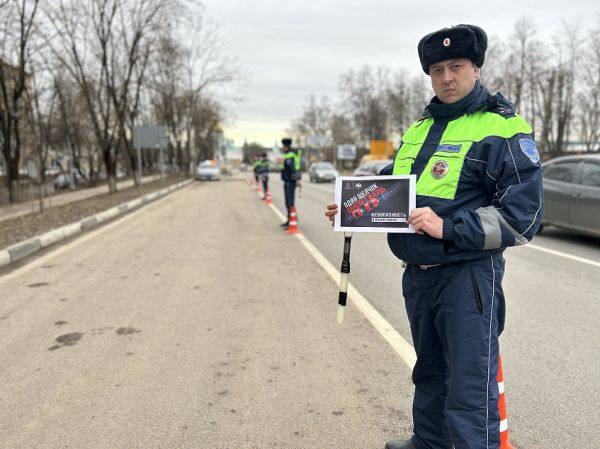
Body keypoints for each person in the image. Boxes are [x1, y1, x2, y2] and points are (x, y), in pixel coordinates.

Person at [325, 24, 543, 449]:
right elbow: (396, 186)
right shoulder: (421, 128)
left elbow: (523, 216)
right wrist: (355, 208)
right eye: (438, 69)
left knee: (468, 384)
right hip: (419, 276)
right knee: (429, 372)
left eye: (456, 67)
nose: (446, 77)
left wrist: (449, 227)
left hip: (467, 277)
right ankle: (428, 442)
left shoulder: (502, 127)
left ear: (476, 69)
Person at [280, 138, 302, 227]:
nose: (282, 148)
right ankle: (290, 219)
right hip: (289, 181)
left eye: (283, 146)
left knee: (289, 202)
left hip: (290, 182)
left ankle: (292, 220)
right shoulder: (289, 154)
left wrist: (297, 180)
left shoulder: (290, 155)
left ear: (286, 146)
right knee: (288, 202)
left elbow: (292, 169)